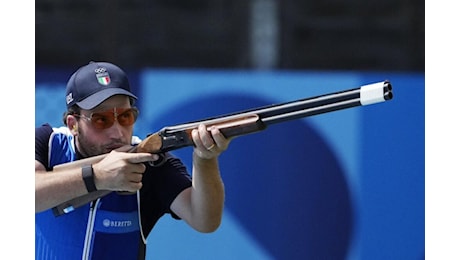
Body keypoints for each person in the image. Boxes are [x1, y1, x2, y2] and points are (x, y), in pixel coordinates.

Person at [35, 61, 231, 259]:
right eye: (101, 120)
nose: (117, 132)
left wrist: (205, 160)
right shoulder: (47, 143)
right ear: (73, 124)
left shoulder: (151, 163)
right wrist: (97, 177)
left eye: (125, 117)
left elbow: (205, 220)